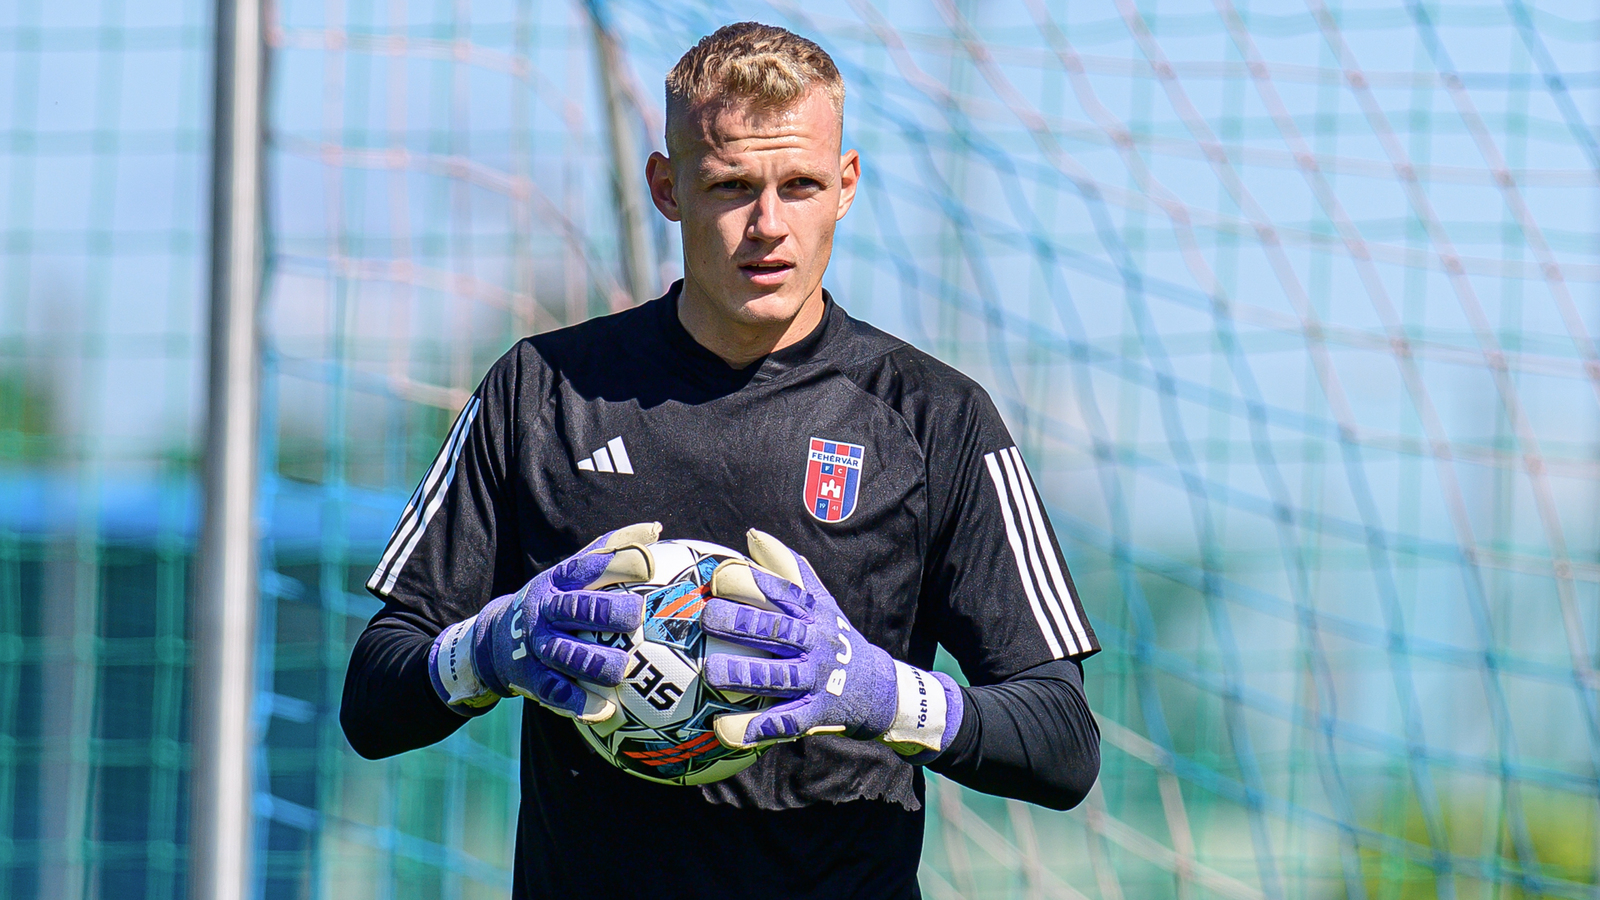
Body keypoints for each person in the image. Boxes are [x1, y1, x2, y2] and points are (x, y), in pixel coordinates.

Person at [342, 21, 1100, 899]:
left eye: (801, 185)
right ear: (667, 188)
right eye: (731, 185)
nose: (768, 226)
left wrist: (879, 694)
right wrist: (490, 647)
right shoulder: (542, 391)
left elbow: (1062, 740)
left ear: (847, 185)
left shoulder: (934, 417)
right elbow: (373, 698)